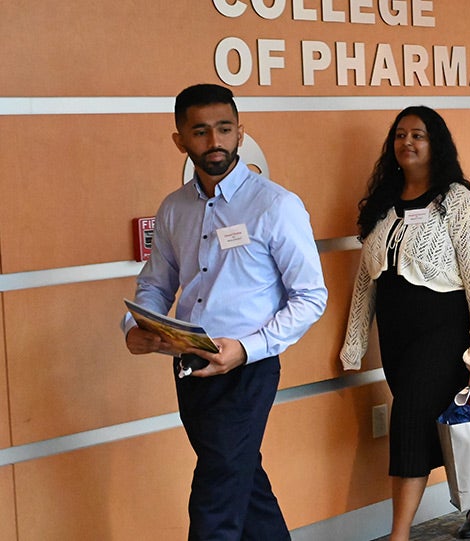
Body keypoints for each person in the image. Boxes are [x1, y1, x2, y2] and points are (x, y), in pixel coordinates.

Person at [122, 83, 328, 539]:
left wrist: (247, 349)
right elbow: (156, 285)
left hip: (246, 368)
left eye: (224, 128)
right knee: (241, 482)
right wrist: (135, 326)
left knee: (215, 496)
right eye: (200, 131)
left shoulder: (275, 205)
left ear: (240, 132)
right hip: (188, 365)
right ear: (180, 139)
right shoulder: (174, 208)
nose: (214, 141)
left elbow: (311, 296)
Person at [339, 106, 470, 541]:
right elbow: (363, 282)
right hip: (396, 339)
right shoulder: (383, 206)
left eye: (419, 135)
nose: (407, 142)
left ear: (436, 145)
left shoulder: (459, 203)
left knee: (409, 421)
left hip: (443, 332)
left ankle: (399, 534)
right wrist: (354, 340)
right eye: (400, 135)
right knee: (445, 424)